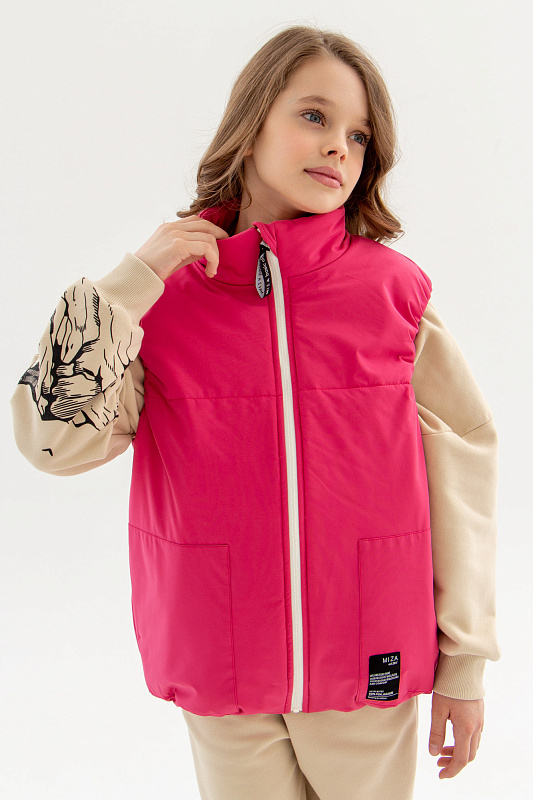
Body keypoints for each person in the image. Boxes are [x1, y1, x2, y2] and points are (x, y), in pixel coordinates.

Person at [10, 23, 501, 800]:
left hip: (365, 653)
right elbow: (50, 445)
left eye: (358, 135)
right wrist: (132, 281)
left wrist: (463, 661)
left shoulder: (391, 294)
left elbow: (463, 471)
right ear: (251, 123)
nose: (337, 146)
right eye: (313, 115)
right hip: (220, 655)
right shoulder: (161, 302)